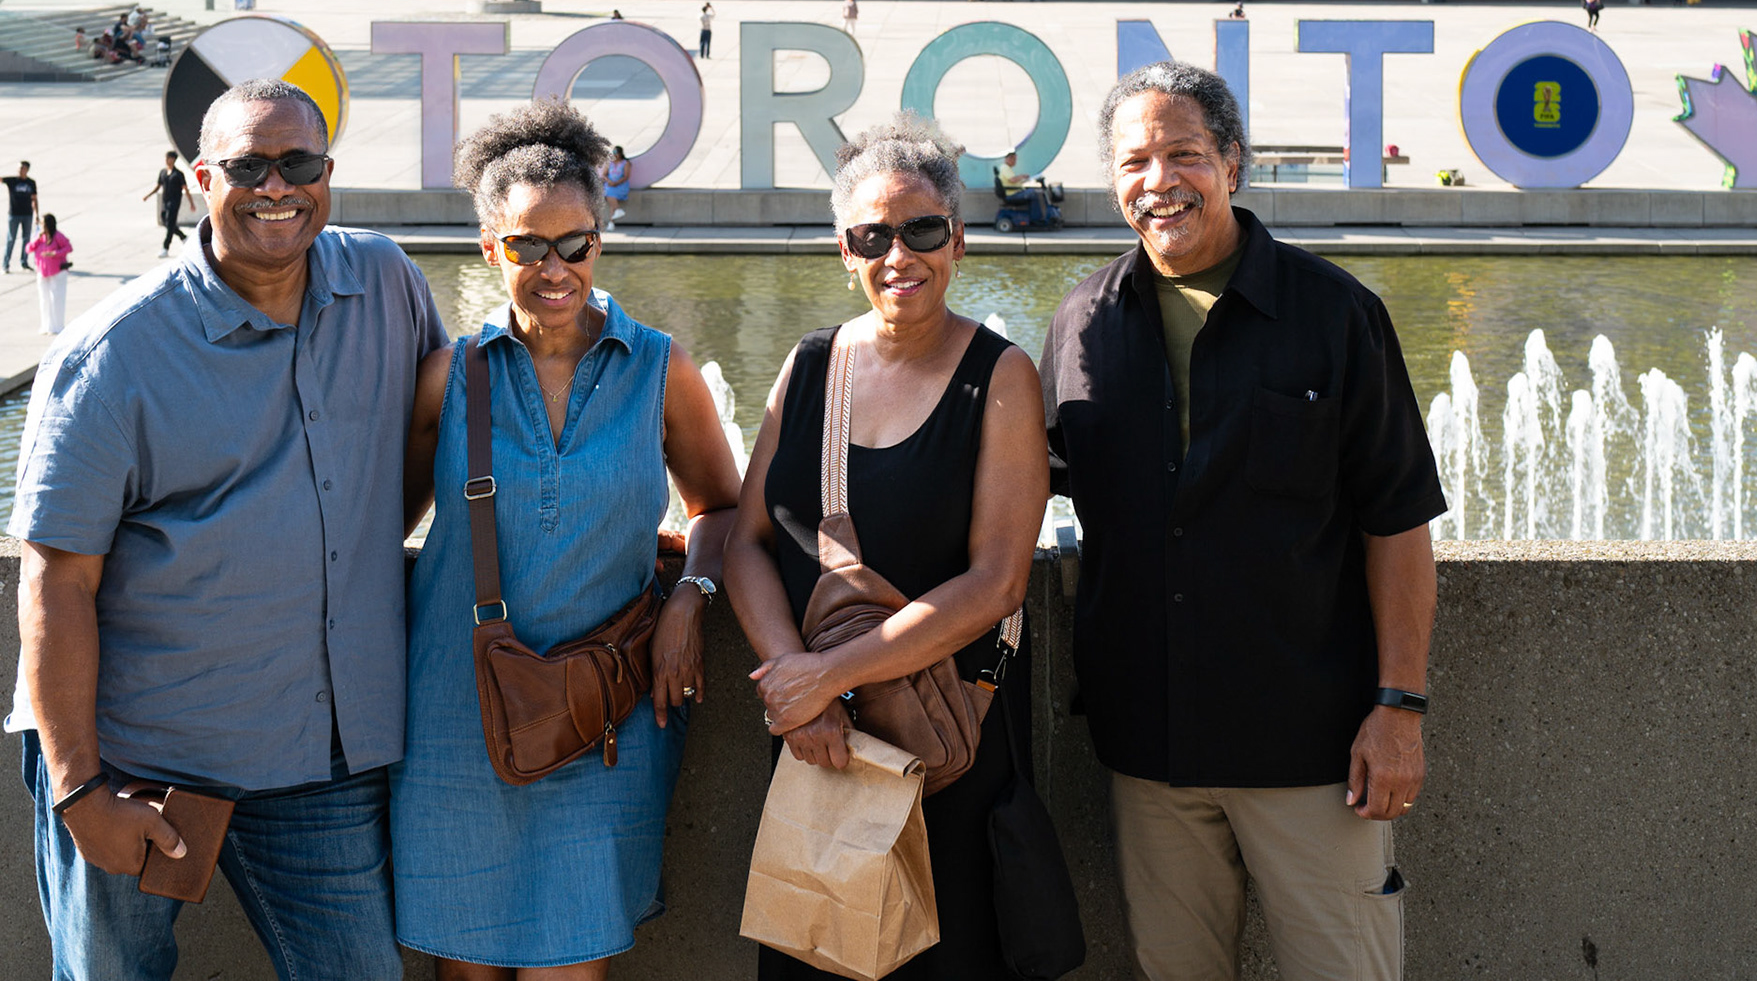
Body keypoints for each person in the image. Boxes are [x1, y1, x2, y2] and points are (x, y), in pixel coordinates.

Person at [7, 78, 448, 981]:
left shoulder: (387, 283)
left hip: (323, 758)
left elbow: (423, 439)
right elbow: (55, 580)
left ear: (330, 173)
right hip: (143, 759)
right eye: (248, 165)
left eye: (299, 163)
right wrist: (80, 788)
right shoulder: (113, 355)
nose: (276, 187)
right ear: (201, 176)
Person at [1039, 62, 1446, 981]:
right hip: (1151, 750)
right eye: (1135, 159)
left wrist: (1400, 707)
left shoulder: (1336, 314)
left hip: (1312, 747)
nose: (1159, 181)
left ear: (1231, 161)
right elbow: (1022, 489)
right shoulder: (1080, 322)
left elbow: (1399, 519)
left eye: (1183, 153)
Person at [391, 100, 741, 979]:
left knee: (572, 968)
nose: (555, 267)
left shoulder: (664, 370)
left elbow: (723, 510)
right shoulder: (447, 378)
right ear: (488, 248)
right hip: (450, 721)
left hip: (603, 716)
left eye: (574, 242)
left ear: (600, 240)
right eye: (527, 246)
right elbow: (373, 534)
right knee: (462, 969)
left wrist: (689, 602)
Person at [724, 114, 1049, 981]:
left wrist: (830, 675)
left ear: (959, 239)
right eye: (874, 234)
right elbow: (747, 543)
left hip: (942, 747)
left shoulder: (1000, 375)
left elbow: (998, 582)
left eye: (922, 230)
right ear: (844, 247)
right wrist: (795, 681)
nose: (898, 254)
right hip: (819, 743)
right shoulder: (812, 364)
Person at [143, 149, 197, 256]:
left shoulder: (178, 174)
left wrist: (191, 203)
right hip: (165, 201)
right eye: (166, 158)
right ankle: (184, 237)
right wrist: (148, 195)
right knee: (165, 221)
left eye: (169, 158)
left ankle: (165, 247)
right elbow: (158, 186)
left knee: (171, 223)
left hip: (174, 202)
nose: (167, 160)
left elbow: (185, 189)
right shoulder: (163, 172)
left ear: (173, 160)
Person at [26, 212, 71, 334]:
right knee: (44, 300)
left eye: (42, 224)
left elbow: (68, 247)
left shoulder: (58, 236)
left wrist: (55, 253)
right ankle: (46, 326)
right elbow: (28, 248)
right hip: (42, 272)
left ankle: (57, 326)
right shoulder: (39, 237)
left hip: (57, 272)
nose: (41, 226)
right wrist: (37, 238)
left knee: (56, 299)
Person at [994, 150, 1048, 226]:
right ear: (1009, 159)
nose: (1015, 162)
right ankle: (1036, 219)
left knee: (1033, 192)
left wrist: (1024, 180)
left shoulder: (1006, 168)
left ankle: (1034, 217)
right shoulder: (1005, 168)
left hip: (1014, 192)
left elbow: (1012, 181)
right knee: (1034, 193)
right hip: (1012, 194)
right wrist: (1022, 176)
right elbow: (1012, 180)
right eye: (1014, 159)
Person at [5, 158, 36, 273]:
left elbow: (34, 199)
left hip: (27, 214)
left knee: (26, 239)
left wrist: (36, 214)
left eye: (22, 168)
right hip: (14, 214)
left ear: (27, 170)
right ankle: (5, 264)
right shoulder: (12, 181)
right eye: (18, 168)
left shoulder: (31, 183)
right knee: (11, 239)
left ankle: (24, 262)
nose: (20, 170)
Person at [602, 143, 631, 228]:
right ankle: (612, 221)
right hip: (610, 184)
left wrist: (616, 183)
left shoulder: (625, 163)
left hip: (620, 185)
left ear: (620, 154)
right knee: (611, 197)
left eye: (616, 154)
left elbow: (626, 176)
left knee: (610, 194)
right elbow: (604, 174)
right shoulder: (609, 163)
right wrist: (609, 181)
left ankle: (613, 219)